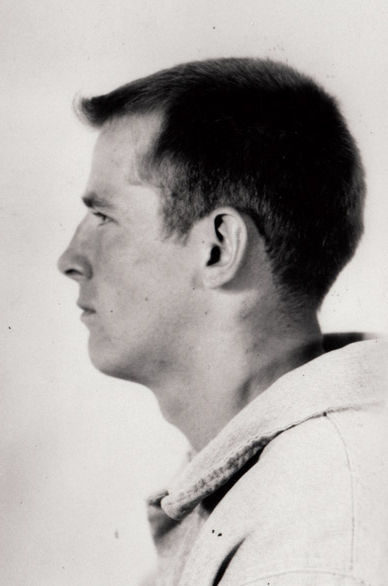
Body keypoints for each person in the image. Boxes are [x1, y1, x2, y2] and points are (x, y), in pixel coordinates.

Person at [58, 57, 388, 585]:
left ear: (218, 248)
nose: (70, 260)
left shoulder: (313, 536)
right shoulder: (282, 489)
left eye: (104, 217)